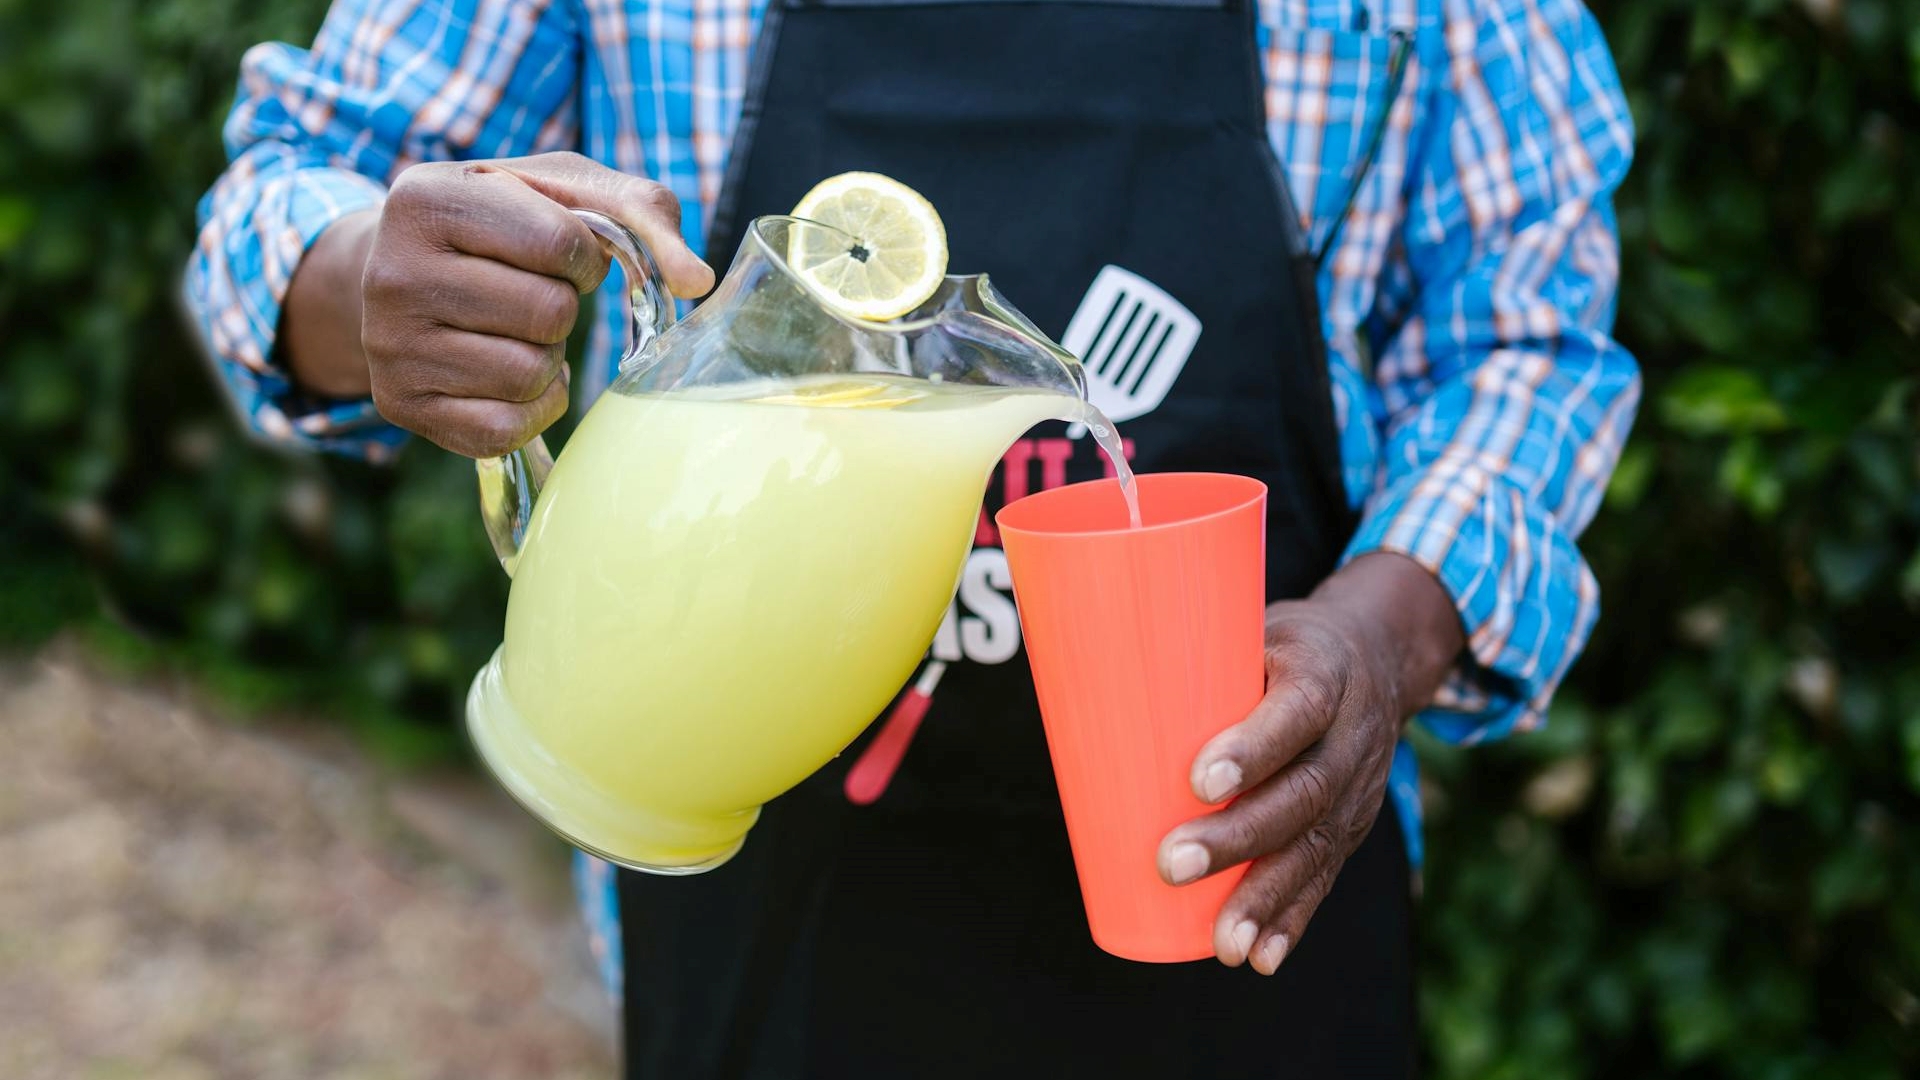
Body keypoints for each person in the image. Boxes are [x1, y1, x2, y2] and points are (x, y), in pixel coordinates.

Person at [189, 0, 1638, 1075]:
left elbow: (1524, 346)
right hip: (763, 944)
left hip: (1258, 917)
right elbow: (296, 185)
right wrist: (380, 277)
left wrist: (1382, 639)